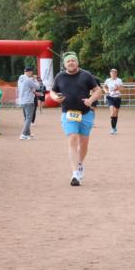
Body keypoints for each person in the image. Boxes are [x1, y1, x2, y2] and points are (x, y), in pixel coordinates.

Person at [50, 51, 101, 186]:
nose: (71, 63)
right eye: (68, 61)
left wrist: (90, 100)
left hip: (86, 114)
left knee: (84, 144)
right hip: (68, 113)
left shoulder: (86, 75)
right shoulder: (60, 76)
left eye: (73, 60)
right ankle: (75, 174)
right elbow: (53, 91)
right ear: (64, 64)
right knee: (73, 138)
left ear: (77, 62)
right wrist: (55, 98)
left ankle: (80, 164)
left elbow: (98, 90)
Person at [16, 66, 39, 139]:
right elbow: (37, 87)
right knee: (29, 118)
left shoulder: (20, 79)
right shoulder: (28, 80)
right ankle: (23, 134)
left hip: (22, 101)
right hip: (28, 101)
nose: (32, 73)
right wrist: (35, 79)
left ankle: (28, 134)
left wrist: (32, 79)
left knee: (26, 118)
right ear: (29, 72)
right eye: (31, 72)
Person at [102, 68, 123, 135]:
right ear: (110, 73)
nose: (113, 74)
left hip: (117, 98)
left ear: (116, 73)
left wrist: (117, 88)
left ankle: (114, 127)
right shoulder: (108, 80)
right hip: (110, 97)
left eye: (114, 73)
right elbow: (104, 87)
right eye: (111, 73)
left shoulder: (119, 80)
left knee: (116, 114)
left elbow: (121, 88)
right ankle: (113, 129)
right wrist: (106, 91)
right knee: (112, 113)